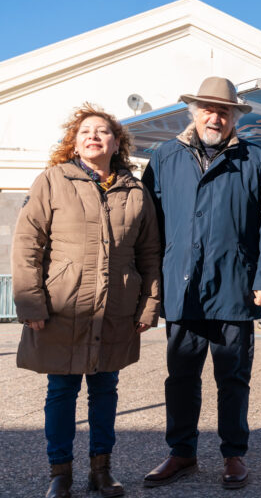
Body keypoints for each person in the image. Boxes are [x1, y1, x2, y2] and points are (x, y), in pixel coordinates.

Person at [141, 77, 261, 490]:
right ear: (194, 112)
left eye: (223, 110)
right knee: (181, 375)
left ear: (234, 117)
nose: (215, 116)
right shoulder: (166, 156)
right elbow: (150, 223)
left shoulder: (253, 158)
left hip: (234, 287)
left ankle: (233, 455)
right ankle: (181, 452)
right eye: (207, 108)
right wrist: (153, 283)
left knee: (233, 377)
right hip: (181, 288)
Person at [12, 103, 161, 498]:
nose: (94, 135)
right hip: (63, 307)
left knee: (105, 390)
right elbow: (28, 244)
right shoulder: (52, 181)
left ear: (117, 143)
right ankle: (59, 473)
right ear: (74, 143)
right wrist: (30, 304)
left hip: (116, 310)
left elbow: (150, 254)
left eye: (103, 131)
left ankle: (102, 469)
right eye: (85, 132)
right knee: (61, 391)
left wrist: (148, 305)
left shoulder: (135, 190)